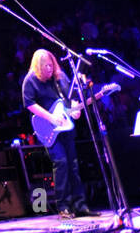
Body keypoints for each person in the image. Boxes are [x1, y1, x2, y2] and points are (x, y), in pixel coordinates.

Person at [22, 49, 93, 217]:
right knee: (61, 163)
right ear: (37, 66)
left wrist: (76, 110)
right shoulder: (31, 80)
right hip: (49, 128)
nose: (48, 68)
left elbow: (71, 99)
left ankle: (80, 206)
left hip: (66, 127)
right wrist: (50, 117)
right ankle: (63, 207)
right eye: (45, 66)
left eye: (50, 64)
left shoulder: (60, 78)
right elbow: (29, 103)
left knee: (73, 165)